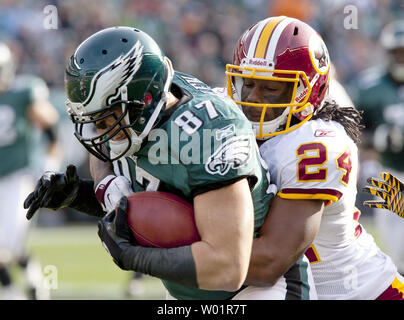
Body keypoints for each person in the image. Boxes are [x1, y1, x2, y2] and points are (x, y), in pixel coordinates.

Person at [25, 26, 304, 300]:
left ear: (143, 102)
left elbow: (229, 266)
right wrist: (86, 193)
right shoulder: (142, 110)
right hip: (192, 292)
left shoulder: (209, 133)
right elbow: (158, 204)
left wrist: (137, 257)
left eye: (105, 119)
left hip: (255, 289)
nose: (99, 133)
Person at [225, 16, 404, 299]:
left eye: (270, 88)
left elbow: (270, 262)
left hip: (359, 291)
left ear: (307, 91)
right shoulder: (225, 119)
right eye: (247, 84)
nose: (254, 98)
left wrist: (165, 254)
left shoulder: (315, 143)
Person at [0, 40, 61, 299]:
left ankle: (17, 290)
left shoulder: (22, 92)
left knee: (5, 245)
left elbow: (49, 122)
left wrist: (51, 160)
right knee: (9, 246)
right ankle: (32, 284)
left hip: (17, 176)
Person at [353, 19, 404, 276]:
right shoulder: (371, 86)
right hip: (391, 173)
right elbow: (351, 131)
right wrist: (379, 138)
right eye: (398, 52)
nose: (402, 58)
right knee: (398, 251)